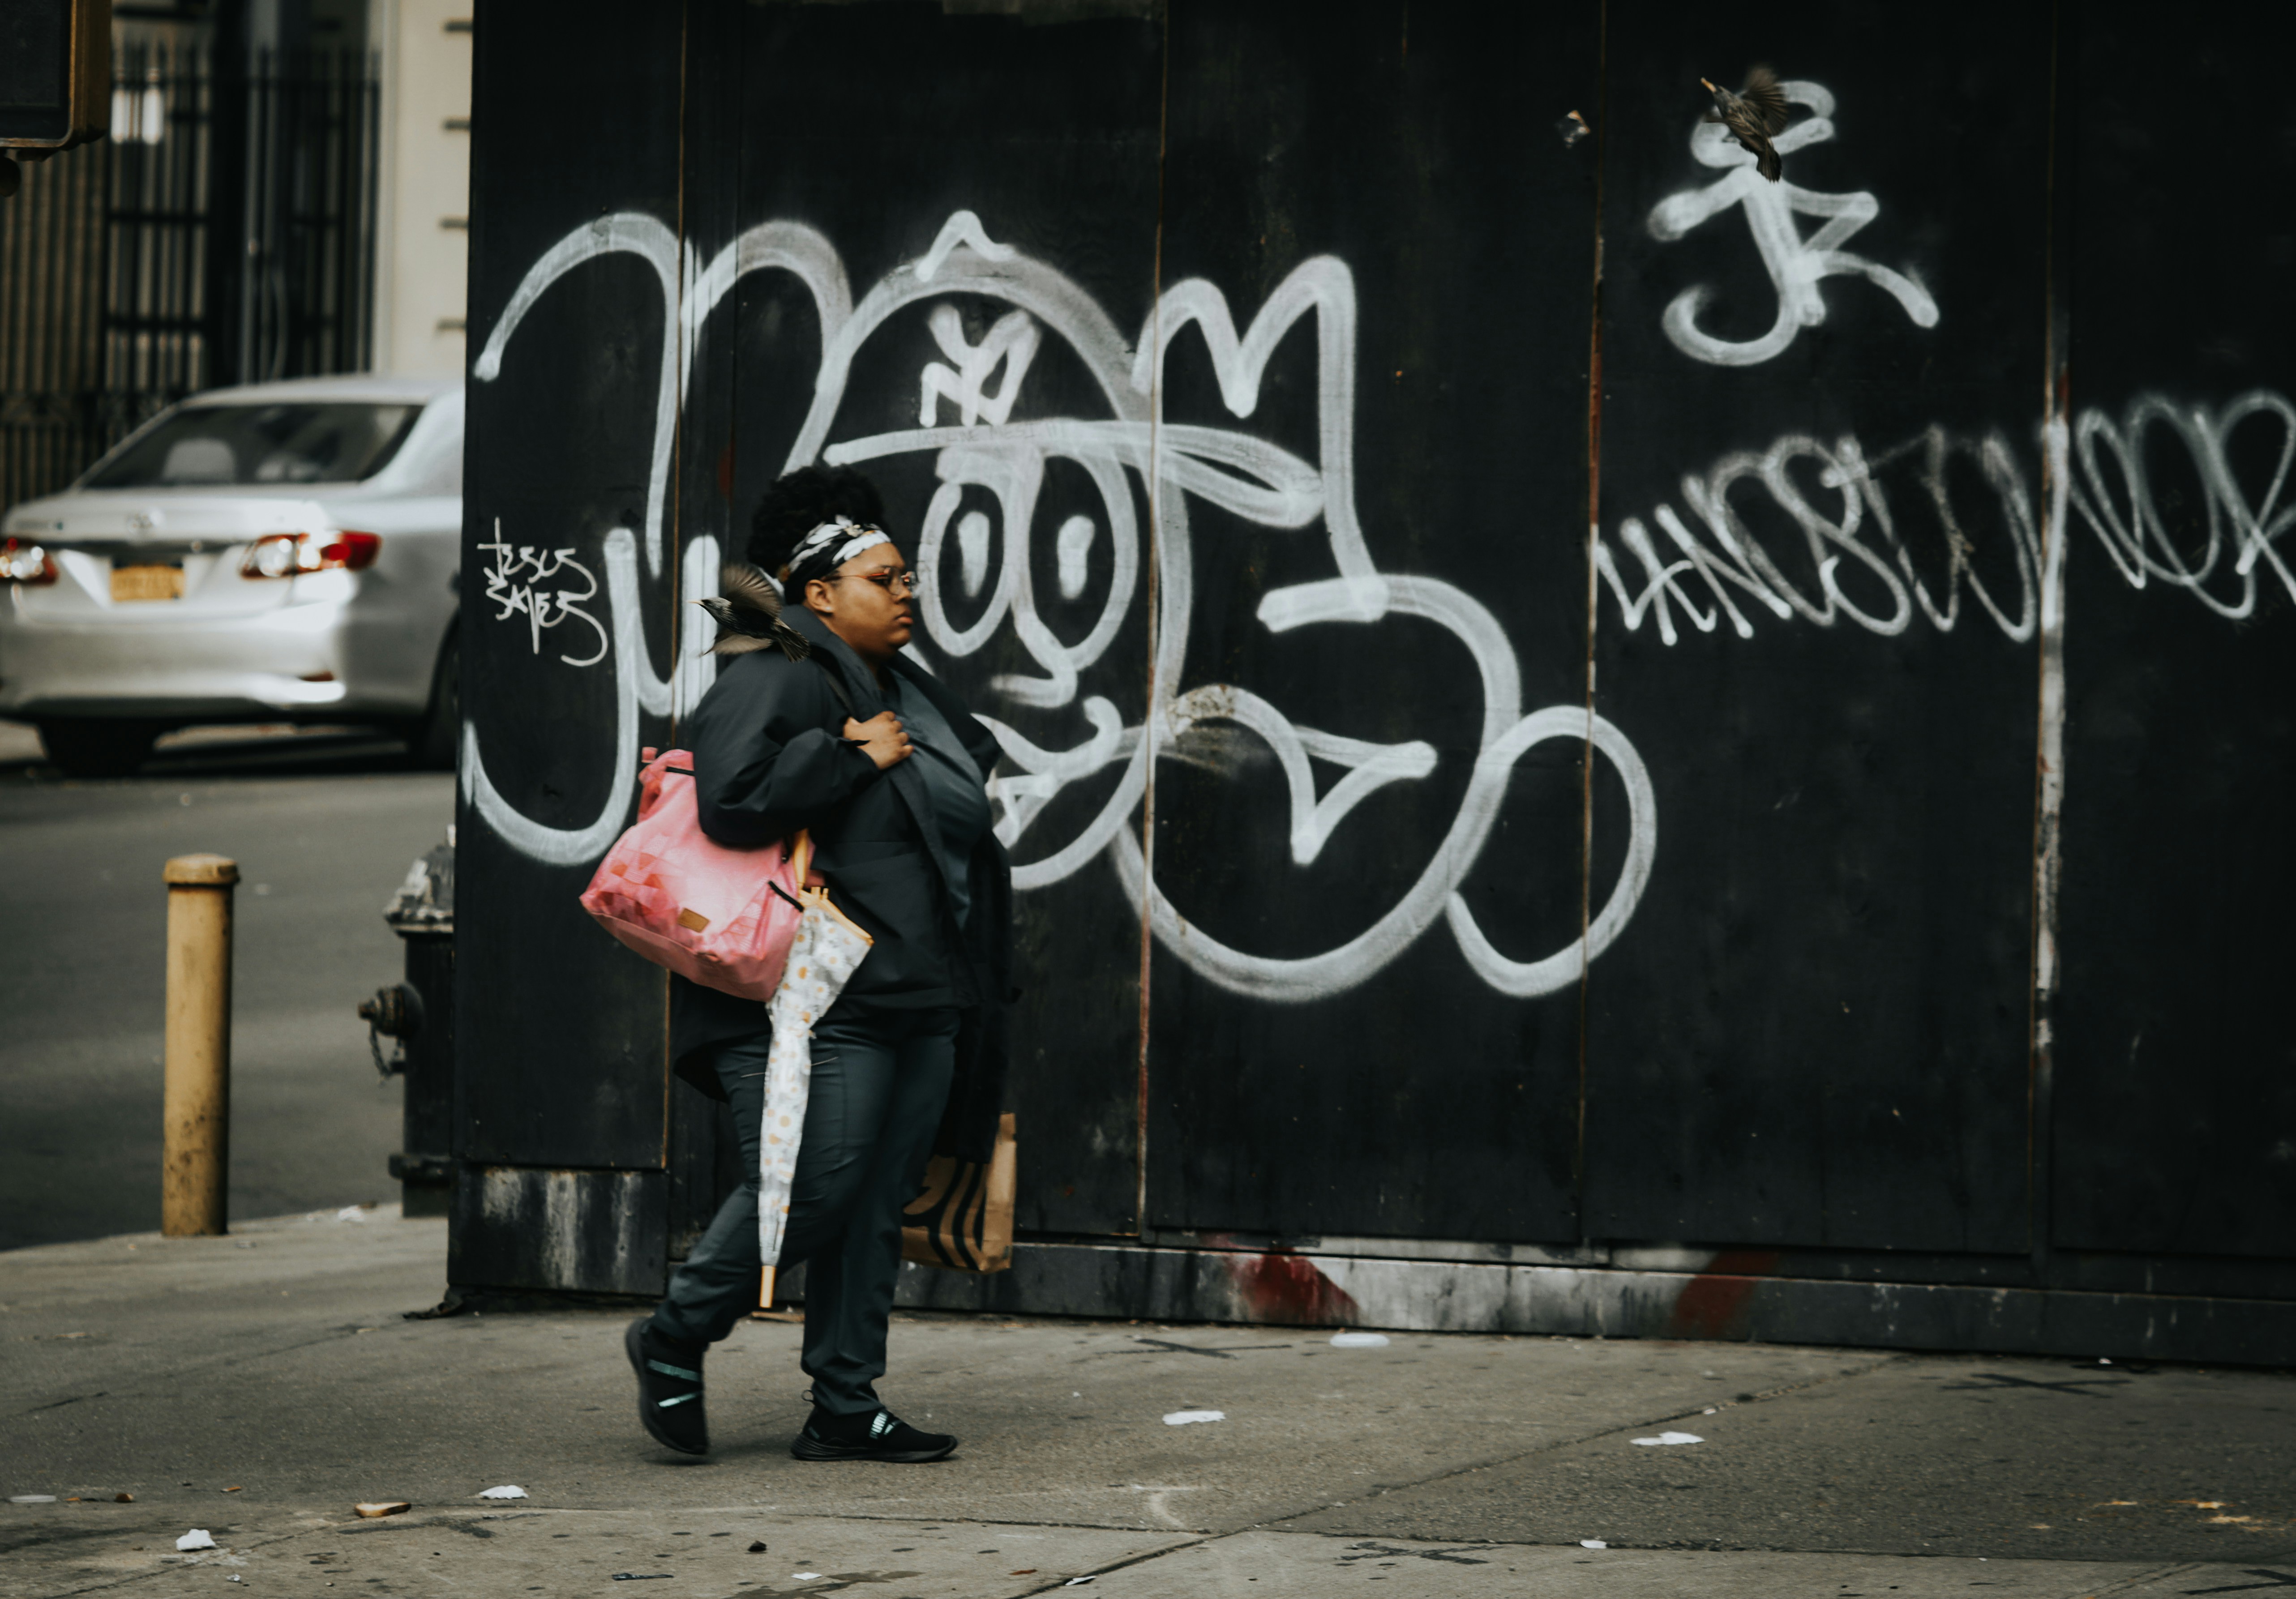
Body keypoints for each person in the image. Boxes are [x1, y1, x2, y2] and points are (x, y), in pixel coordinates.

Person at [624, 465, 1012, 1464]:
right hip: (825, 992)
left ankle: (845, 1400)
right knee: (811, 1187)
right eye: (884, 578)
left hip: (918, 985)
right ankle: (674, 1334)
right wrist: (851, 757)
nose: (906, 592)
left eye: (908, 577)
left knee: (877, 1203)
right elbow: (732, 797)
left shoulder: (897, 690)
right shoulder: (780, 670)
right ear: (818, 591)